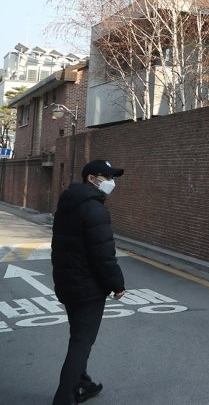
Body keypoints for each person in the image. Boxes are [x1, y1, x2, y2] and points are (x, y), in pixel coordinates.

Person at [50, 159, 127, 405]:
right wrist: (117, 284)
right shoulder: (94, 209)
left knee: (78, 336)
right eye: (107, 177)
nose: (111, 182)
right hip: (88, 287)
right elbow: (103, 254)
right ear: (92, 179)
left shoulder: (68, 204)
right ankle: (64, 398)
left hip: (67, 282)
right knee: (82, 341)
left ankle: (82, 383)